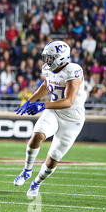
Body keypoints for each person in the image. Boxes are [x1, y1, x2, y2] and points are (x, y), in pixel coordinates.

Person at [14, 41, 87, 197]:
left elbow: (68, 101)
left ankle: (36, 183)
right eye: (46, 57)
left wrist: (42, 105)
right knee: (37, 136)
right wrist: (30, 100)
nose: (46, 61)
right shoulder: (47, 68)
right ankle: (26, 170)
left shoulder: (73, 70)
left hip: (72, 119)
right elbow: (46, 85)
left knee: (54, 158)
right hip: (53, 112)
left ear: (61, 58)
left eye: (50, 57)